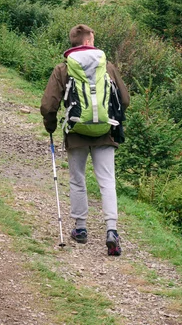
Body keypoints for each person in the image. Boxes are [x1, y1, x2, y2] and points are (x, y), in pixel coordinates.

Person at [40, 24, 129, 256]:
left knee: (78, 179)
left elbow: (49, 105)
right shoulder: (106, 66)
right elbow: (125, 99)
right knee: (107, 181)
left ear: (73, 42)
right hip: (105, 131)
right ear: (90, 41)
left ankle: (80, 229)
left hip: (76, 131)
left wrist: (50, 125)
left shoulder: (63, 68)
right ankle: (111, 230)